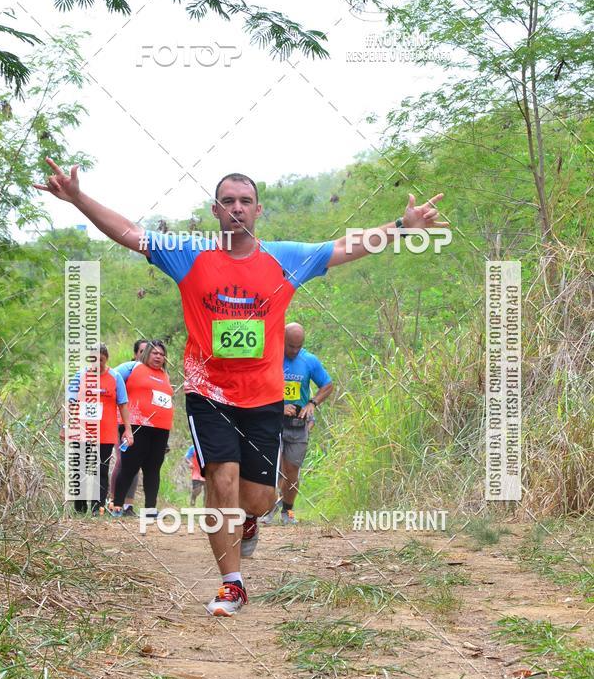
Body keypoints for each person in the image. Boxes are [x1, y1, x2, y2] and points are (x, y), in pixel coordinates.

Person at [35, 159, 448, 617]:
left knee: (258, 498)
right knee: (221, 478)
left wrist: (401, 226)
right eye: (228, 201)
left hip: (265, 398)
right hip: (207, 392)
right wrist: (77, 198)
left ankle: (250, 523)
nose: (236, 208)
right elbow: (131, 233)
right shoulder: (188, 253)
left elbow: (344, 247)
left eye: (245, 201)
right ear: (215, 209)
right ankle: (232, 584)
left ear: (258, 210)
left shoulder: (283, 258)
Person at [265, 322, 333, 525]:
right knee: (271, 467)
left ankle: (287, 512)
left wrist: (312, 403)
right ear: (282, 340)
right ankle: (265, 510)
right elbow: (257, 386)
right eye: (290, 346)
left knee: (292, 472)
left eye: (298, 346)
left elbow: (327, 385)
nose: (294, 351)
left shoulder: (309, 360)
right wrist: (279, 406)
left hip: (297, 424)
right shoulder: (270, 358)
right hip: (272, 421)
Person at [62, 343, 134, 515]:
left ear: (106, 359)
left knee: (100, 470)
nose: (96, 363)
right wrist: (65, 427)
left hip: (105, 433)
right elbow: (70, 404)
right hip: (81, 432)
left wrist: (128, 430)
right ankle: (80, 508)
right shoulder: (80, 376)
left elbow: (123, 405)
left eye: (100, 360)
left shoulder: (115, 377)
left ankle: (97, 508)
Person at [111, 340, 174, 516]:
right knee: (129, 466)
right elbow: (110, 381)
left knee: (153, 468)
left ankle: (150, 509)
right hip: (136, 425)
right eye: (155, 353)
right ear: (146, 354)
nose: (158, 357)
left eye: (162, 354)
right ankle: (117, 506)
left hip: (160, 428)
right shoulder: (132, 367)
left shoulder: (165, 375)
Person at [108, 337, 148, 515]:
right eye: (142, 352)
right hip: (123, 423)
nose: (145, 355)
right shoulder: (127, 369)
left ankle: (128, 506)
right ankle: (113, 503)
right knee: (123, 461)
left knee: (136, 464)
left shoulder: (156, 373)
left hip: (146, 426)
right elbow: (109, 382)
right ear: (135, 354)